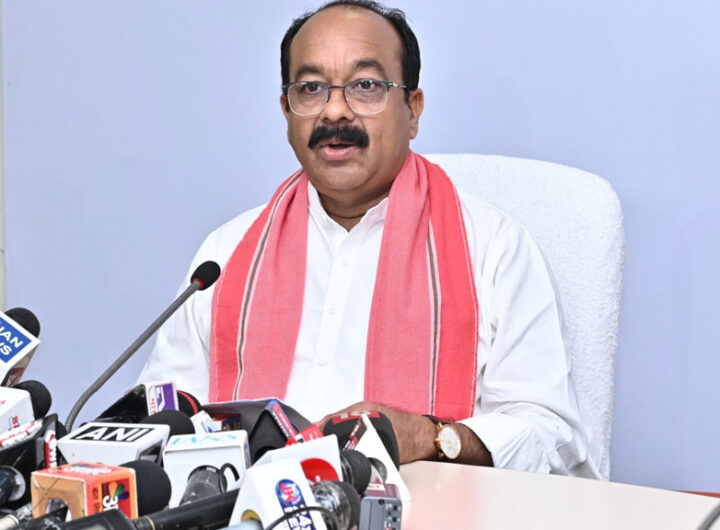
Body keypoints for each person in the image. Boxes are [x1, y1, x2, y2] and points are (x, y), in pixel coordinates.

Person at [138, 0, 599, 478]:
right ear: (286, 112)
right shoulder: (226, 256)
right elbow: (159, 420)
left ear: (413, 110)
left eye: (366, 86)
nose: (335, 110)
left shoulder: (493, 249)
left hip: (434, 508)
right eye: (310, 88)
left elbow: (553, 440)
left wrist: (431, 437)